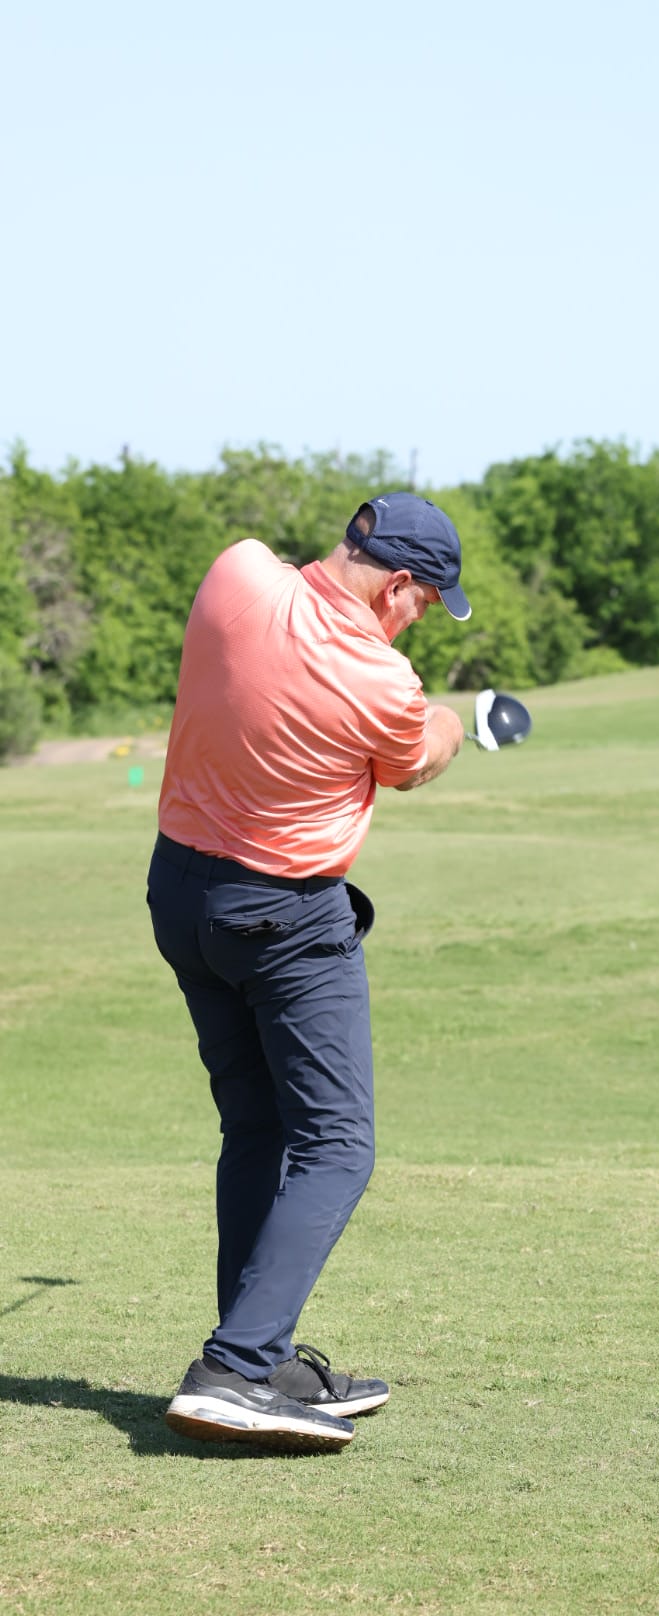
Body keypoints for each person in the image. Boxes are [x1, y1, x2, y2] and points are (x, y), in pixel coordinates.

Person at [146, 492, 468, 1453]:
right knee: (336, 1145)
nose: (419, 619)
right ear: (399, 583)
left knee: (255, 1128)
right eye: (425, 602)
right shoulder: (383, 681)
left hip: (182, 896)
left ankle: (263, 1355)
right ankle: (236, 1368)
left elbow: (288, 605)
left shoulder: (235, 573)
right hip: (285, 919)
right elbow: (414, 763)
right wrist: (453, 720)